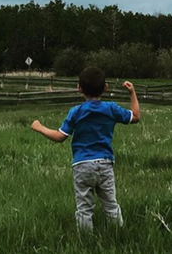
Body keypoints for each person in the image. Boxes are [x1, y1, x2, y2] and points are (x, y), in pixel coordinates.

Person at [31, 66, 140, 232]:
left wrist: (39, 127)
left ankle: (85, 241)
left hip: (82, 165)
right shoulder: (111, 108)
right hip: (105, 163)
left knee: (84, 209)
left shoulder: (76, 112)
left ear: (79, 88)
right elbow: (135, 117)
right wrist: (132, 93)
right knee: (111, 205)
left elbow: (60, 136)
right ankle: (118, 235)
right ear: (106, 87)